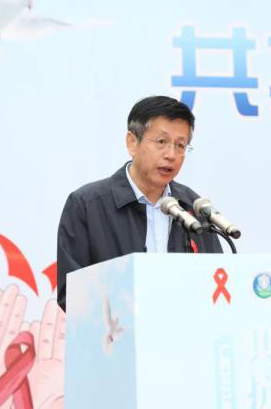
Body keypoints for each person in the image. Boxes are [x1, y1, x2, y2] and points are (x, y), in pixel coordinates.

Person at [56, 96, 223, 311]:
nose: (171, 155)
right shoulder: (87, 205)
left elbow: (214, 285)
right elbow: (71, 294)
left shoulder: (194, 208)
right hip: (116, 330)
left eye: (180, 145)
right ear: (132, 142)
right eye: (161, 142)